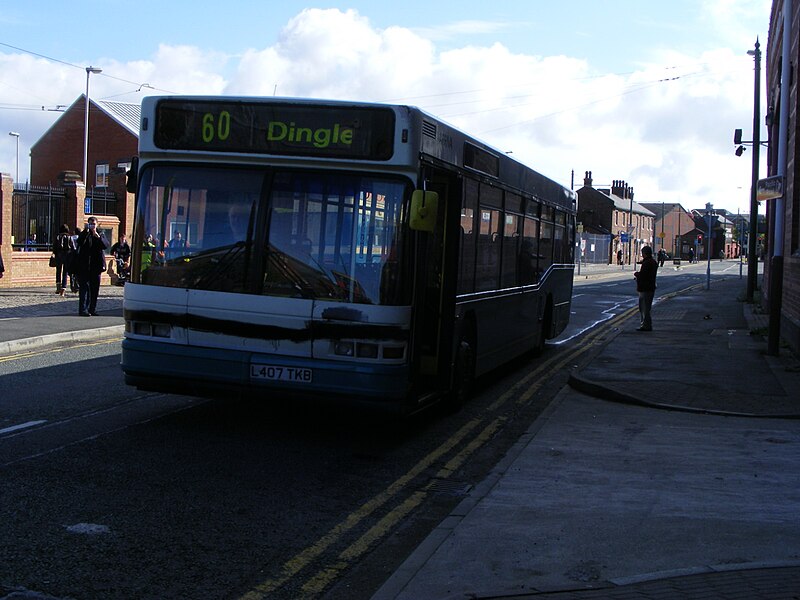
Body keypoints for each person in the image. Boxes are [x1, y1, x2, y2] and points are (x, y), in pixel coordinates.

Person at [74, 217, 109, 316]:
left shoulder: (100, 234)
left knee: (94, 290)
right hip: (84, 266)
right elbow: (80, 242)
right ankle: (83, 309)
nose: (92, 226)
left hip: (96, 267)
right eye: (90, 224)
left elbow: (106, 245)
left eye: (94, 224)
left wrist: (97, 236)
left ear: (97, 224)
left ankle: (92, 309)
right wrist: (86, 232)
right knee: (84, 289)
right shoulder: (85, 234)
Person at [633, 245, 658, 332]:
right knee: (646, 308)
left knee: (644, 308)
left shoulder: (647, 263)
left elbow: (643, 275)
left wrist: (636, 274)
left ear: (645, 253)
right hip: (650, 287)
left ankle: (646, 325)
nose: (642, 255)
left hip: (645, 288)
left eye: (642, 253)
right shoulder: (653, 262)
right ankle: (645, 324)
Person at [52, 224, 76, 296]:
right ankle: (63, 288)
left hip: (59, 256)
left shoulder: (58, 237)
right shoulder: (69, 237)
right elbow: (73, 248)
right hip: (67, 256)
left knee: (58, 271)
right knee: (65, 273)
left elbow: (54, 247)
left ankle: (58, 287)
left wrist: (55, 253)